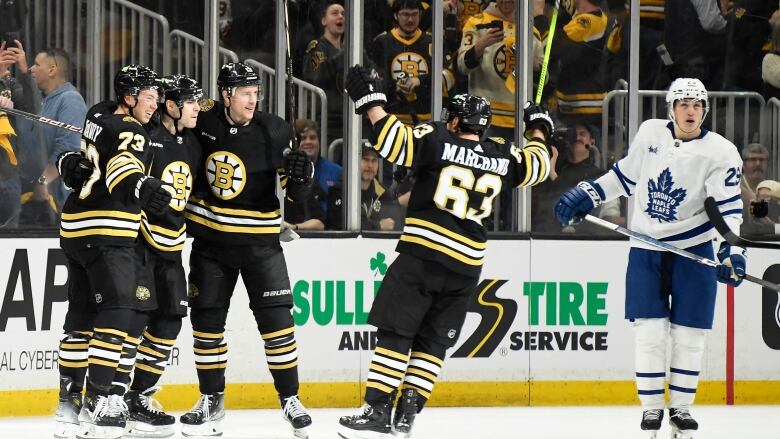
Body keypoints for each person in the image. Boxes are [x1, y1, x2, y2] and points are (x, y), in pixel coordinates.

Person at [338, 65, 552, 439]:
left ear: (454, 121)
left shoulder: (438, 138)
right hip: (467, 265)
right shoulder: (500, 153)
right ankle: (407, 414)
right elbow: (538, 165)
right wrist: (538, 126)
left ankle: (376, 412)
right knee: (433, 342)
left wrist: (372, 101)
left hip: (424, 255)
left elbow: (395, 144)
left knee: (397, 334)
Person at [554, 77, 746, 439]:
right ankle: (652, 408)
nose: (691, 111)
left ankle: (683, 410)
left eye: (697, 105)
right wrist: (588, 192)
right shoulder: (650, 134)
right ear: (671, 108)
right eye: (684, 104)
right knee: (650, 332)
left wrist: (732, 250)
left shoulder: (722, 152)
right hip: (646, 249)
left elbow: (729, 209)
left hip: (694, 251)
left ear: (705, 110)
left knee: (690, 335)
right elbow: (624, 177)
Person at [180, 62, 314, 438]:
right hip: (211, 244)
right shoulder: (204, 117)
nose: (253, 99)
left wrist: (303, 176)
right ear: (225, 94)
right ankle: (211, 398)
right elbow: (171, 124)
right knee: (206, 327)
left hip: (261, 245)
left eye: (256, 92)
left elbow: (297, 194)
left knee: (278, 327)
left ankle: (290, 399)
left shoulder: (274, 129)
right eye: (245, 92)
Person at [54, 64, 172, 439]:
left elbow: (93, 159)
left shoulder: (97, 114)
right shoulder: (130, 131)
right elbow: (123, 165)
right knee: (119, 311)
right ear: (129, 97)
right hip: (108, 230)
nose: (156, 104)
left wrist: (65, 162)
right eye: (150, 97)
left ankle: (67, 405)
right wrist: (141, 187)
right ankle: (99, 399)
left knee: (81, 317)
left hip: (75, 227)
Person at [118, 74, 203, 437]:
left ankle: (139, 395)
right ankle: (113, 396)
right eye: (192, 102)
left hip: (173, 247)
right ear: (171, 106)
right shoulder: (145, 139)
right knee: (134, 321)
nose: (198, 108)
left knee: (169, 321)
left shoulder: (194, 142)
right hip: (141, 244)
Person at [295, 118, 342, 214]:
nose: (308, 142)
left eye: (312, 138)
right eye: (303, 138)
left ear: (319, 142)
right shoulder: (287, 173)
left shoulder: (337, 171)